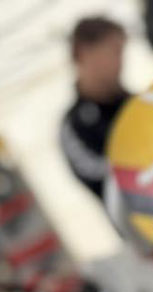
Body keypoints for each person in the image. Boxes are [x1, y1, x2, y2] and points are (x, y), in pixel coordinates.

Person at [60, 17, 131, 199]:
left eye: (121, 52)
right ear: (84, 53)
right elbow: (104, 182)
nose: (120, 62)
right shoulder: (75, 126)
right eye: (114, 52)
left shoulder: (138, 104)